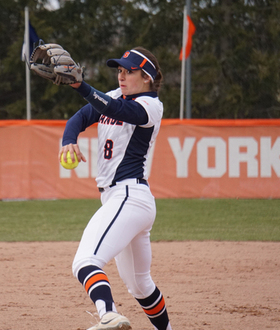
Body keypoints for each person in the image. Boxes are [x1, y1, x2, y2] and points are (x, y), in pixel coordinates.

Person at [59, 47, 172, 330]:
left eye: (128, 71)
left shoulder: (151, 105)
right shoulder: (113, 95)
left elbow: (116, 110)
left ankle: (108, 314)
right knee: (140, 285)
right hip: (123, 200)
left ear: (146, 77)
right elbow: (81, 117)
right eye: (119, 70)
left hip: (128, 196)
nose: (121, 75)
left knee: (85, 261)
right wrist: (68, 139)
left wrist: (80, 86)